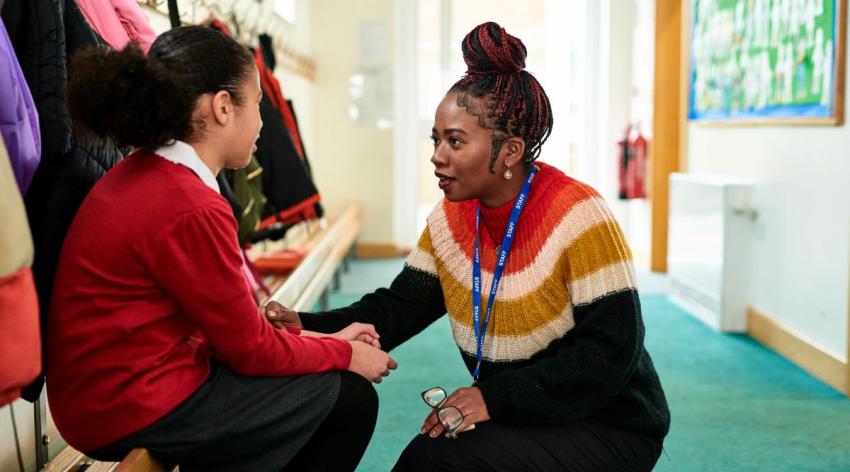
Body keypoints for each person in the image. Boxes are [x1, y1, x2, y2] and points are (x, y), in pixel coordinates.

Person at [286, 22, 670, 471]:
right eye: (435, 139)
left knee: (434, 462)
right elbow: (398, 307)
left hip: (609, 422)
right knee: (431, 459)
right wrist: (300, 323)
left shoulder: (579, 216)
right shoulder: (451, 218)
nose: (437, 155)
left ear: (509, 151)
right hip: (527, 410)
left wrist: (493, 397)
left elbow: (610, 353)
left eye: (455, 141)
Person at [46, 26, 396, 472]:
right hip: (125, 405)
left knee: (310, 386)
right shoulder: (190, 204)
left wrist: (320, 339)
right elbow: (250, 351)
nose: (263, 123)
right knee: (349, 398)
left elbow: (227, 332)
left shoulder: (148, 172)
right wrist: (346, 355)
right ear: (224, 107)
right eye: (258, 104)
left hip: (106, 396)